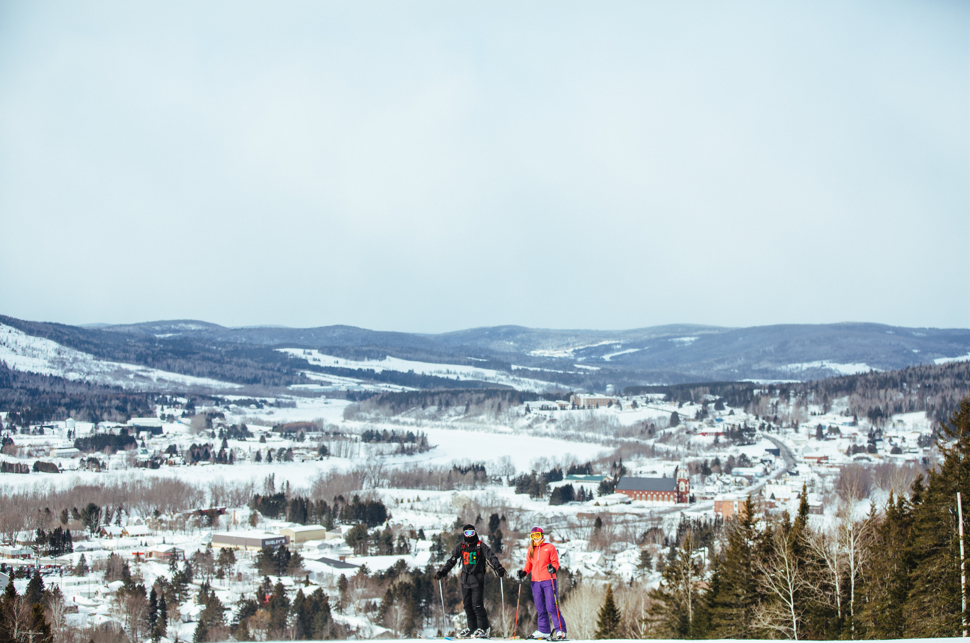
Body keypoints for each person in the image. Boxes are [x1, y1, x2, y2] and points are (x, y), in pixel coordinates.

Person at [435, 524, 507, 638]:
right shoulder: (461, 547)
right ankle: (472, 628)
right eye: (467, 533)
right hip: (465, 580)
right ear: (464, 534)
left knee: (477, 605)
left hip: (477, 579)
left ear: (475, 533)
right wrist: (443, 572)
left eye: (472, 533)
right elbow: (452, 560)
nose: (470, 536)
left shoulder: (480, 546)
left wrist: (499, 568)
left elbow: (491, 556)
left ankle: (483, 628)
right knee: (467, 605)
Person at [517, 527, 567, 640]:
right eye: (533, 536)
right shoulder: (531, 549)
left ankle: (561, 631)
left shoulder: (549, 547)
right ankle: (544, 630)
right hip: (535, 582)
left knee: (551, 606)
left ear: (542, 535)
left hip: (548, 580)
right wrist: (524, 572)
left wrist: (553, 568)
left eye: (537, 535)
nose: (536, 538)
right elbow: (529, 564)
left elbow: (555, 562)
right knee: (540, 607)